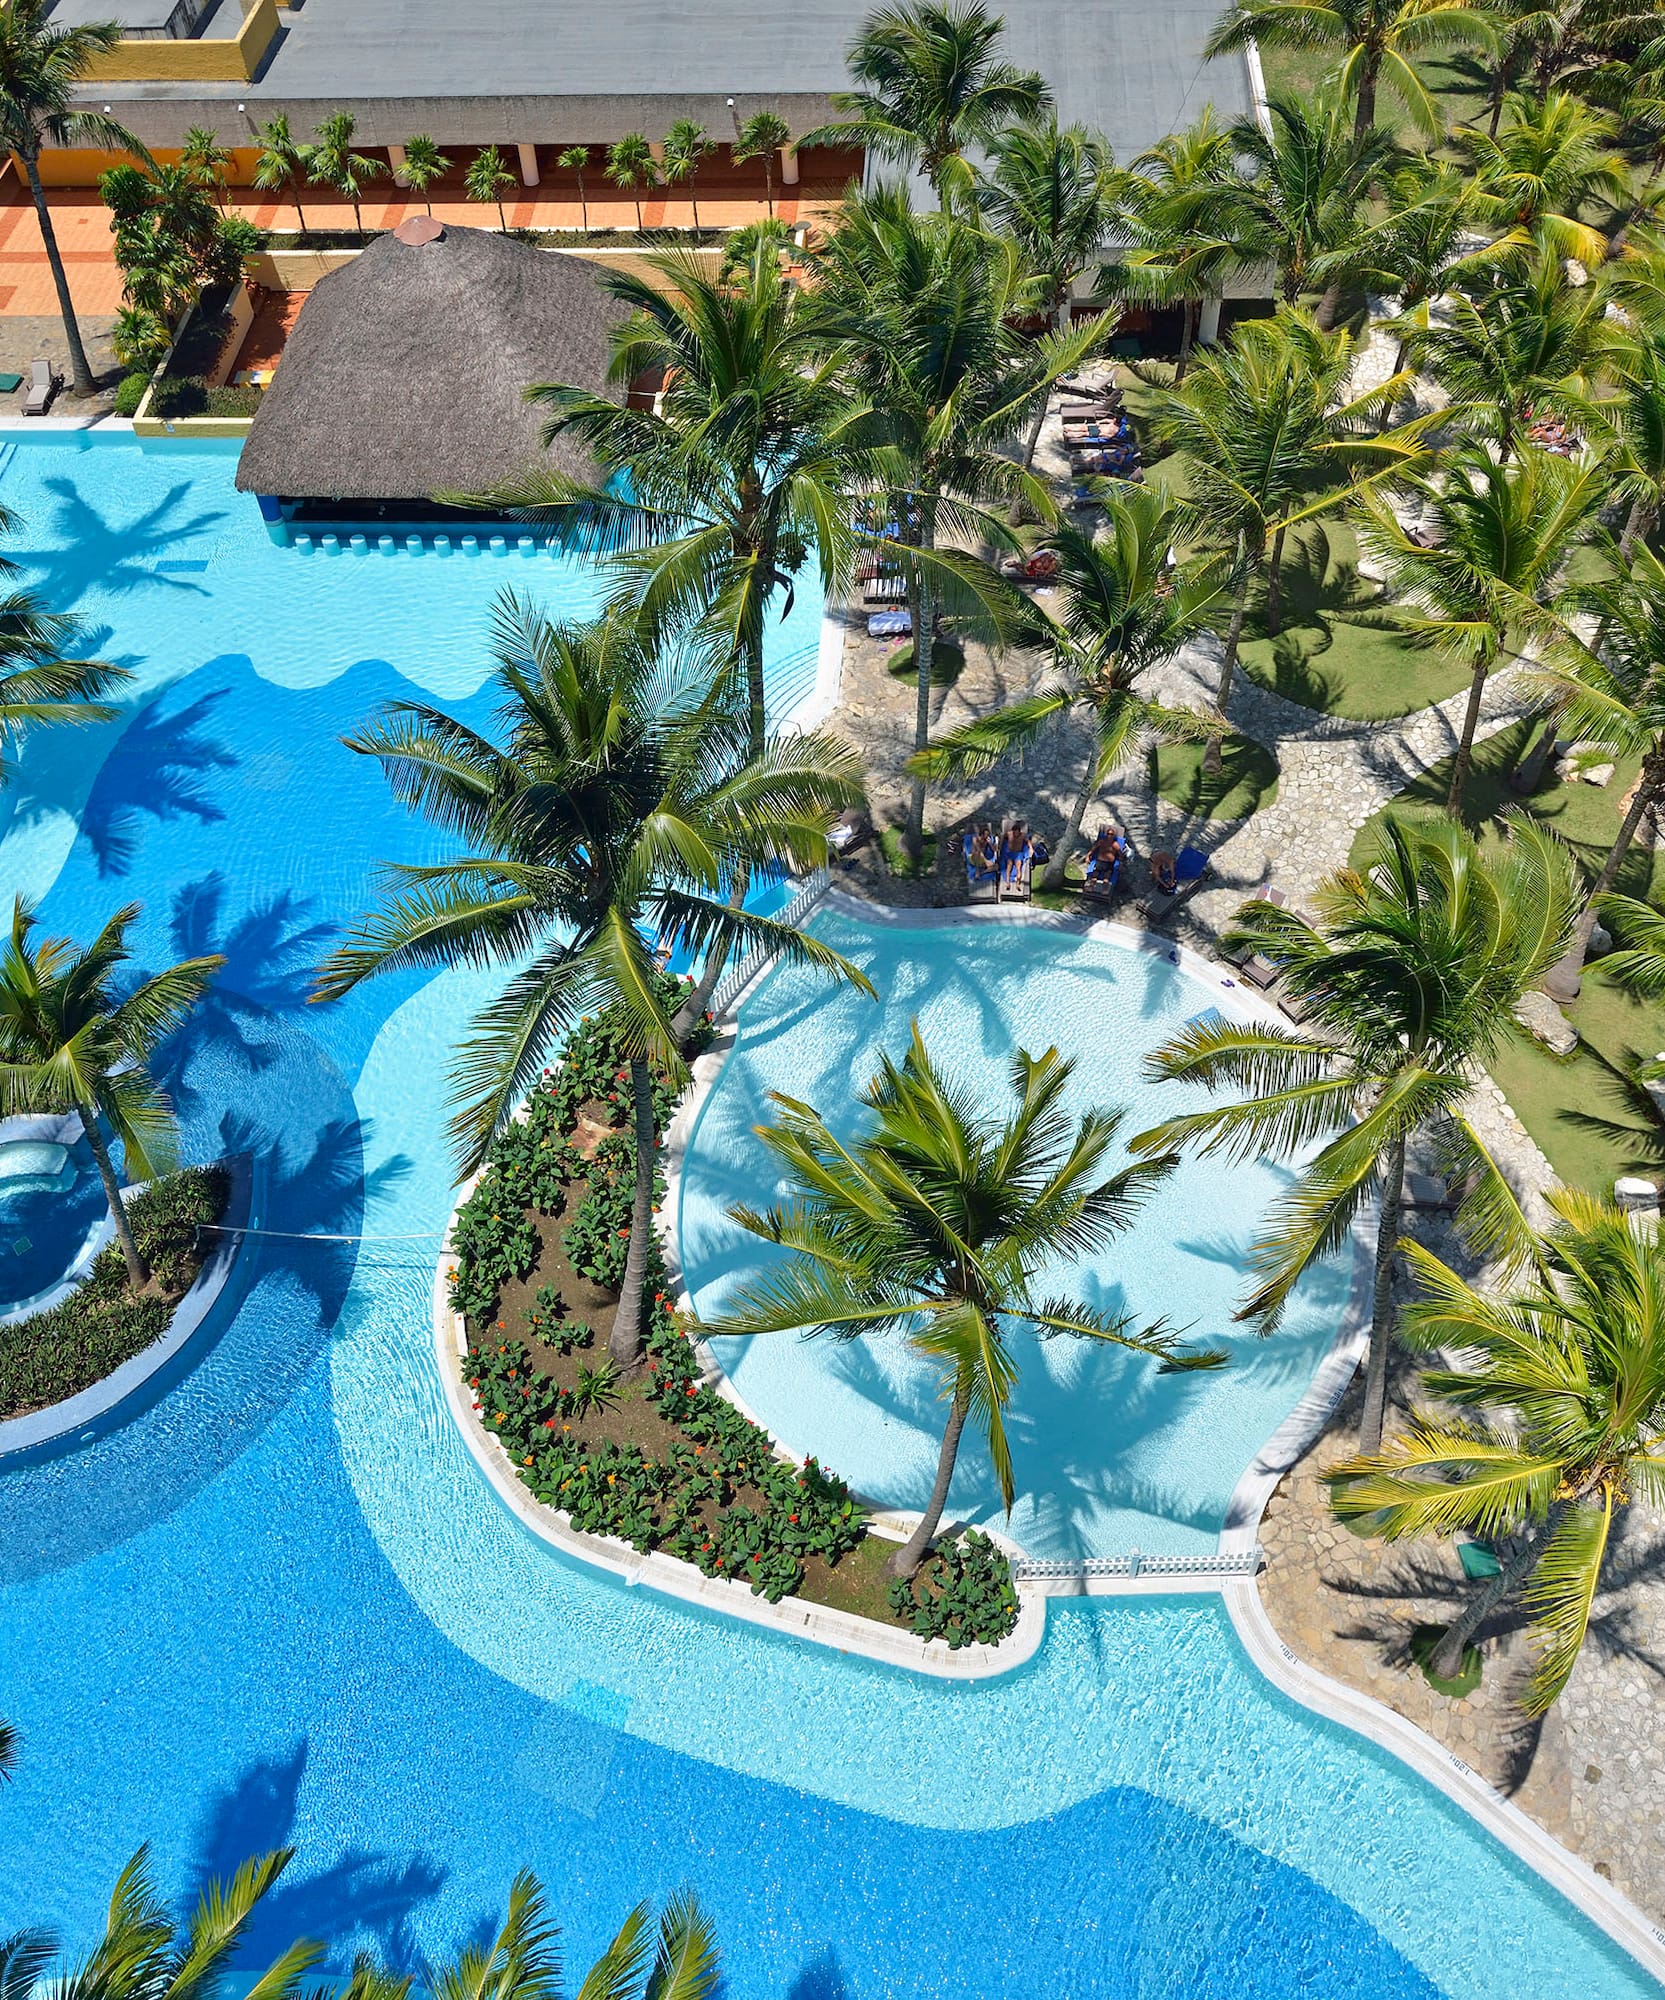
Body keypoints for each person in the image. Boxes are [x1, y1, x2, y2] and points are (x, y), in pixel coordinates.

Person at [999, 820, 1033, 888]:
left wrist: (1031, 848)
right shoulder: (1009, 834)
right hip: (1010, 853)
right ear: (1013, 831)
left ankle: (1017, 883)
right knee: (1009, 866)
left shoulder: (1023, 835)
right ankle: (1008, 882)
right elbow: (1002, 836)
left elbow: (1028, 841)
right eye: (1015, 832)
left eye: (1017, 832)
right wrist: (1000, 845)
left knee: (1018, 868)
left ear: (1019, 832)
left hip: (1018, 853)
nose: (1016, 834)